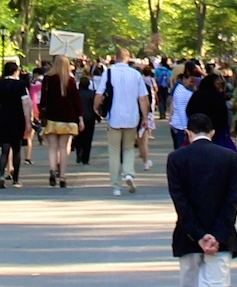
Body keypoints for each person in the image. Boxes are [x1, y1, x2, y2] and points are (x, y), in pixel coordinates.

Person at [167, 115, 237, 287]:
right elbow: (232, 201)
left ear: (188, 132)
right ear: (212, 132)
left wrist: (199, 235)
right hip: (221, 238)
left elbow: (181, 203)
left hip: (188, 238)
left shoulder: (176, 159)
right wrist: (216, 236)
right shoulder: (230, 158)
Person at [97, 48, 153, 194]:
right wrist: (145, 117)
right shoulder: (135, 74)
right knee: (128, 147)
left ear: (116, 58)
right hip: (132, 116)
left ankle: (116, 186)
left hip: (113, 116)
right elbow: (143, 98)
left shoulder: (108, 72)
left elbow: (99, 93)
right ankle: (129, 172)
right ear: (128, 59)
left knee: (114, 150)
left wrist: (95, 108)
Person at [39, 54, 84, 187]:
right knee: (63, 148)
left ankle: (53, 170)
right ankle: (63, 177)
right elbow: (77, 101)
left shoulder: (47, 79)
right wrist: (80, 118)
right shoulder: (70, 80)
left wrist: (41, 112)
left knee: (52, 147)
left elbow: (43, 100)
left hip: (52, 118)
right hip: (68, 118)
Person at [0, 58, 32, 187]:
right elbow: (26, 104)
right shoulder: (21, 85)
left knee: (4, 149)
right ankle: (16, 179)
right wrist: (28, 122)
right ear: (15, 71)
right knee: (16, 149)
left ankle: (2, 175)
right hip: (17, 118)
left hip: (2, 118)